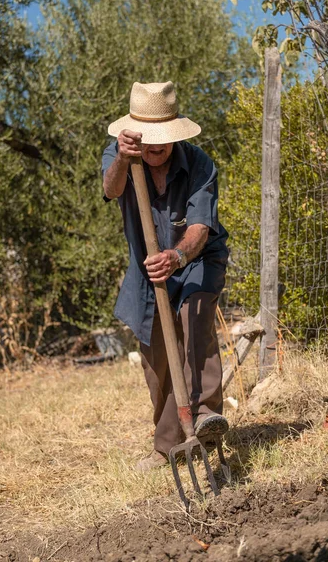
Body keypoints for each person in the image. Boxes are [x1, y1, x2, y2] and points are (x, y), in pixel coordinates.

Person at [102, 81, 229, 471]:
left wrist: (176, 256)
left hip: (196, 259)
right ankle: (168, 446)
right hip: (147, 267)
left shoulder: (200, 163)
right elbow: (111, 189)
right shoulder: (119, 153)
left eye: (163, 142)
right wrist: (125, 158)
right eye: (149, 142)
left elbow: (200, 229)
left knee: (195, 321)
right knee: (156, 352)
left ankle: (205, 417)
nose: (156, 149)